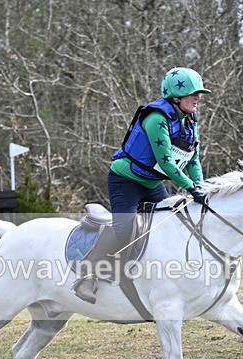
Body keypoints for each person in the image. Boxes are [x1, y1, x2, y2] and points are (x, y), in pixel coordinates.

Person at [73, 67, 211, 304]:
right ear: (176, 97)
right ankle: (88, 274)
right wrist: (190, 187)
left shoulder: (190, 119)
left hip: (152, 183)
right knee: (125, 229)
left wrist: (201, 186)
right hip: (126, 181)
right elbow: (166, 162)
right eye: (193, 93)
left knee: (175, 224)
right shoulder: (156, 118)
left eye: (199, 93)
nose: (198, 97)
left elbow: (193, 159)